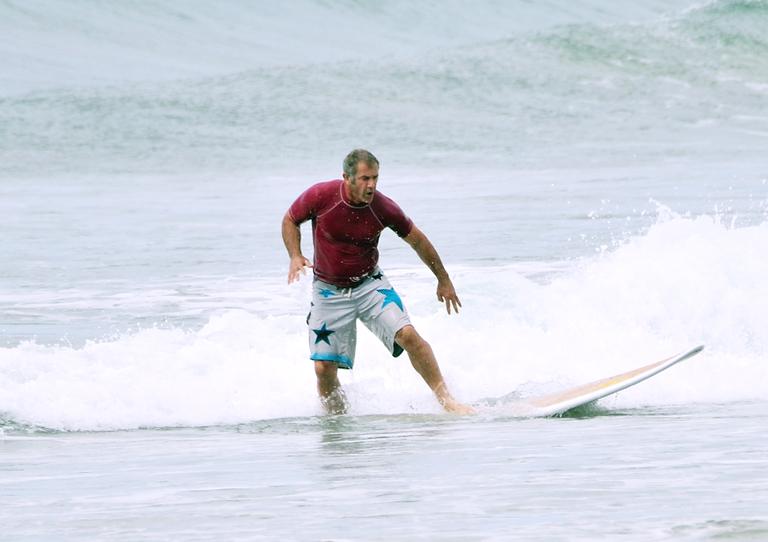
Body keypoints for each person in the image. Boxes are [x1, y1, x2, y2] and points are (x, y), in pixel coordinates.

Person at [282, 149, 473, 415]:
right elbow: (291, 219)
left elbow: (417, 239)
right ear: (346, 177)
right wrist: (295, 255)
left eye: (375, 178)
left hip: (370, 285)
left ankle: (447, 401)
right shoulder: (322, 196)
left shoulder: (383, 207)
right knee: (323, 368)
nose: (371, 185)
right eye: (364, 178)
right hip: (328, 291)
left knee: (408, 335)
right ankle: (337, 421)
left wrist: (443, 279)